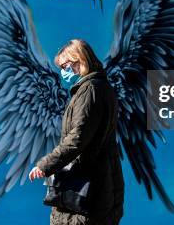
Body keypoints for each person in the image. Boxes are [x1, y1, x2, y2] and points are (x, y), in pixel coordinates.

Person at [29, 39, 125, 225]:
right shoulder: (100, 87)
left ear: (80, 60)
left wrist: (45, 165)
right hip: (98, 184)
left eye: (66, 66)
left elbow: (77, 139)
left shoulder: (89, 90)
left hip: (85, 190)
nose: (63, 72)